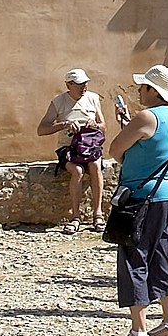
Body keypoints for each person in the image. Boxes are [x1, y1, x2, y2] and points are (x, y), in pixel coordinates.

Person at [105, 64, 168, 336]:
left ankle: (138, 331)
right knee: (158, 253)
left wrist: (127, 125)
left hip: (143, 196)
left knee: (133, 256)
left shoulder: (145, 117)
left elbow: (115, 150)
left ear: (153, 90)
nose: (139, 90)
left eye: (143, 86)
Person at [37, 68, 106, 234]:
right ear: (69, 85)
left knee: (95, 166)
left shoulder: (93, 99)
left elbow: (103, 127)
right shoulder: (58, 102)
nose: (84, 88)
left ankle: (98, 214)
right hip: (68, 147)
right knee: (77, 170)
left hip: (89, 145)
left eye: (85, 84)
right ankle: (75, 216)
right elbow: (42, 129)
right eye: (80, 85)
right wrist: (65, 124)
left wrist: (95, 125)